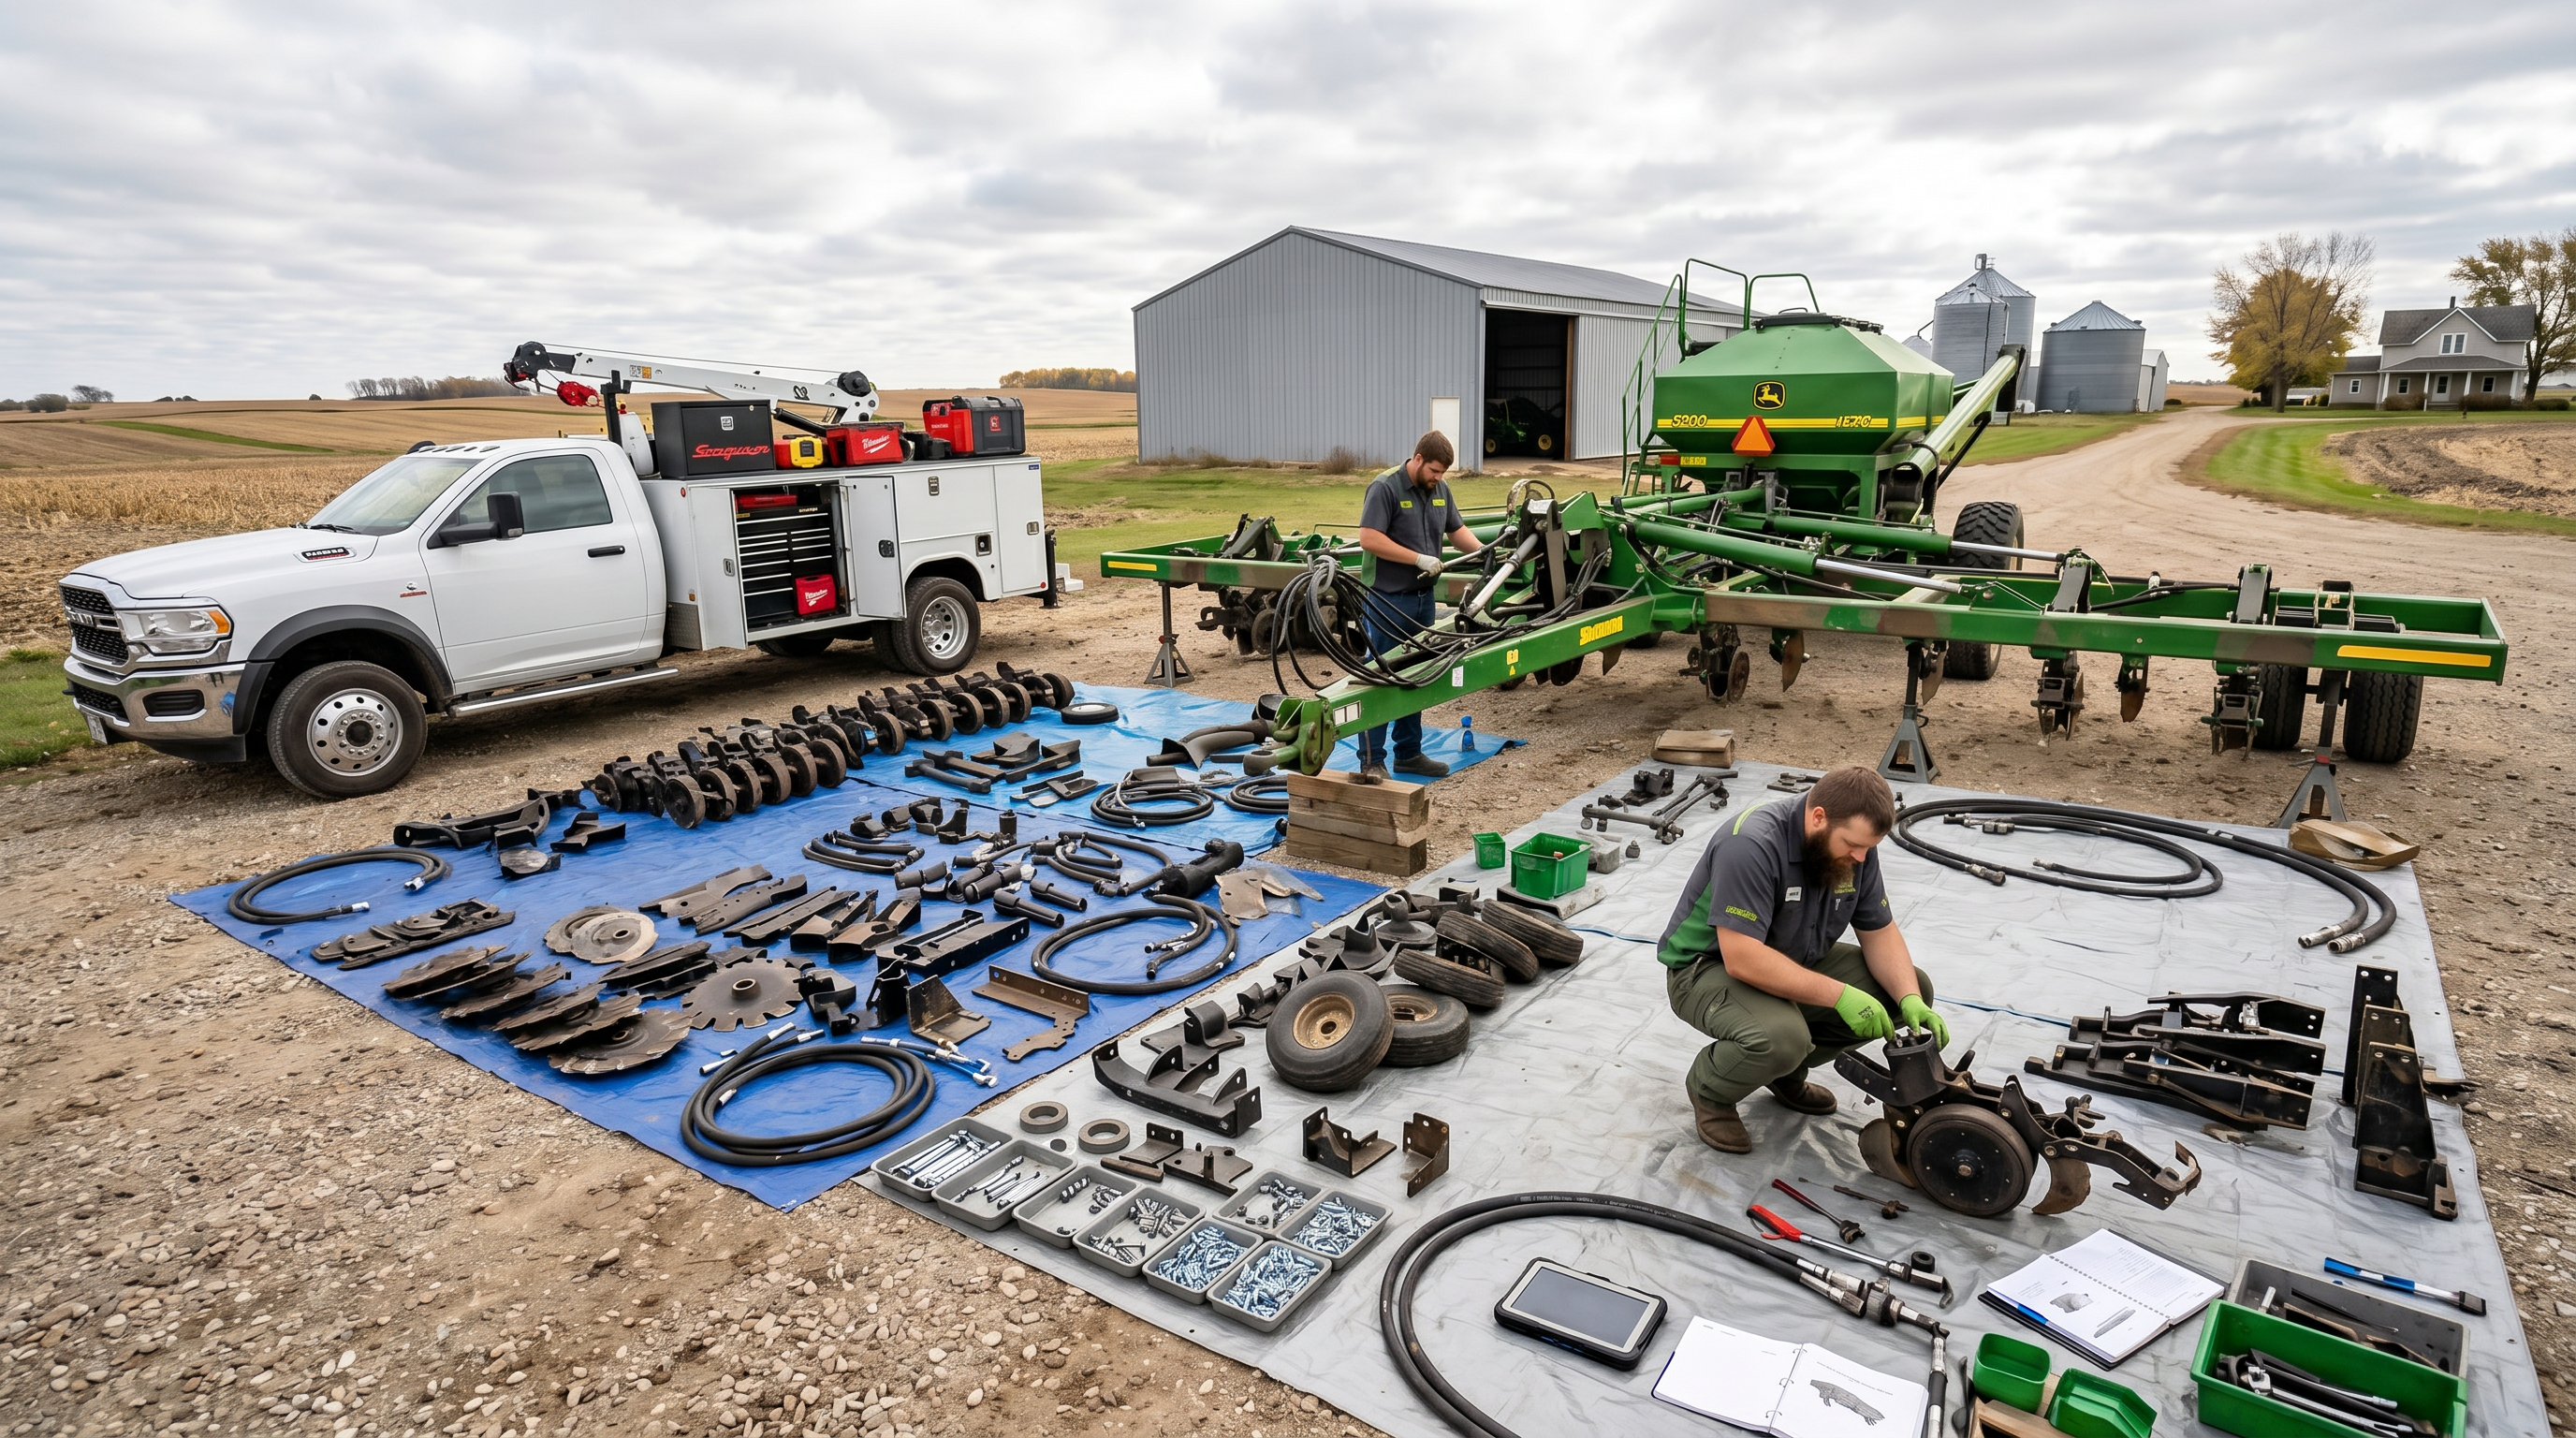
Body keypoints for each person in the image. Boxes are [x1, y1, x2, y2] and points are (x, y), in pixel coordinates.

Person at [1654, 765, 1947, 1153]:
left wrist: (1909, 997)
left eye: (1868, 848)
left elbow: (1880, 932)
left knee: (1909, 987)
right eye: (1851, 844)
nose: (1860, 857)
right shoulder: (1752, 843)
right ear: (1818, 817)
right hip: (1708, 968)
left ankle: (1785, 1073)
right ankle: (1711, 1090)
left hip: (1790, 959)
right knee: (1781, 1037)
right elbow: (1742, 958)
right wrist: (1839, 995)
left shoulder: (1855, 850)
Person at [1352, 430, 1481, 782]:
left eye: (1443, 474)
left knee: (1416, 676)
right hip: (1387, 599)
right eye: (1434, 471)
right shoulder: (1386, 487)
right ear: (1418, 459)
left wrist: (1485, 553)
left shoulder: (1439, 490)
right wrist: (1418, 559)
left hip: (1424, 600)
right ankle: (1371, 761)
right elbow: (1369, 537)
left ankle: (1408, 753)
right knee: (1380, 676)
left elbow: (1457, 530)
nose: (1438, 478)